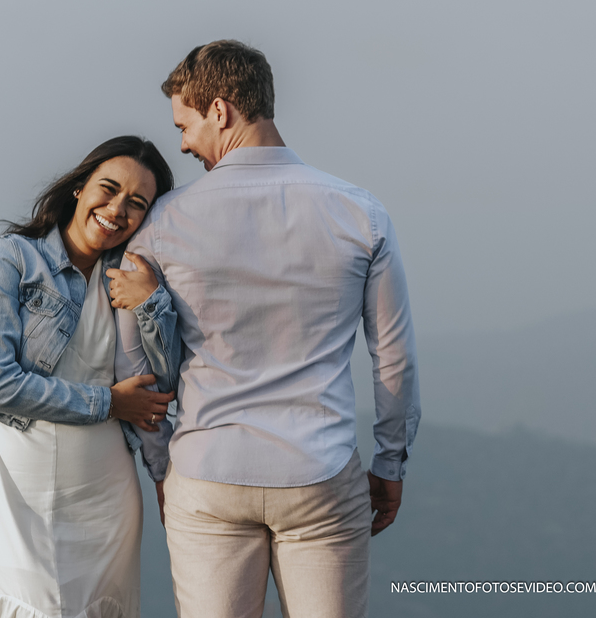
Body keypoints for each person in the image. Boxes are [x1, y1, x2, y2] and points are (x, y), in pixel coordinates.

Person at [121, 40, 420, 618]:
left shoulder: (162, 222)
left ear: (220, 110)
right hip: (321, 471)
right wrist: (390, 463)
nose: (182, 143)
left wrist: (161, 467)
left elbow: (137, 365)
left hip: (207, 472)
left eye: (184, 125)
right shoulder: (360, 213)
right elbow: (394, 357)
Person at [0, 136, 182, 618]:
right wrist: (107, 403)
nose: (117, 210)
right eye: (109, 189)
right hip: (14, 478)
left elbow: (166, 376)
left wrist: (152, 300)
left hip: (104, 488)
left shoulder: (133, 275)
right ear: (79, 186)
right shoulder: (12, 258)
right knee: (25, 601)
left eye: (137, 203)